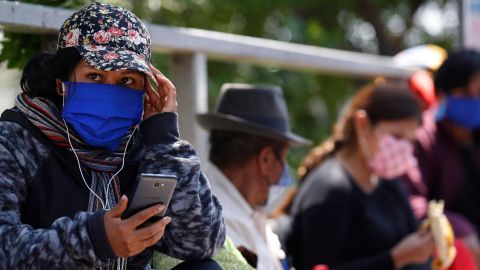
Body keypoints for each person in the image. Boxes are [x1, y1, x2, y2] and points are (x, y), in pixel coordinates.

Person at [0, 3, 225, 269]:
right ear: (61, 84)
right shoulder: (16, 140)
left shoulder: (145, 146)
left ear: (146, 89)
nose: (109, 91)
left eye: (126, 81)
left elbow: (201, 242)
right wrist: (94, 240)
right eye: (94, 75)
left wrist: (164, 138)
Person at [286, 84, 434, 270]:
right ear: (362, 124)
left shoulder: (387, 182)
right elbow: (317, 266)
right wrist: (394, 259)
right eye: (396, 136)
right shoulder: (331, 189)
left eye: (410, 140)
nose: (404, 148)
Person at [196, 83, 311, 270]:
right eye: (283, 158)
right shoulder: (215, 222)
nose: (285, 170)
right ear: (265, 159)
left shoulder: (246, 210)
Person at [401, 49, 480, 267]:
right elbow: (410, 200)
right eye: (466, 93)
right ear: (443, 94)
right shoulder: (422, 136)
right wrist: (455, 227)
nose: (475, 101)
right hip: (447, 247)